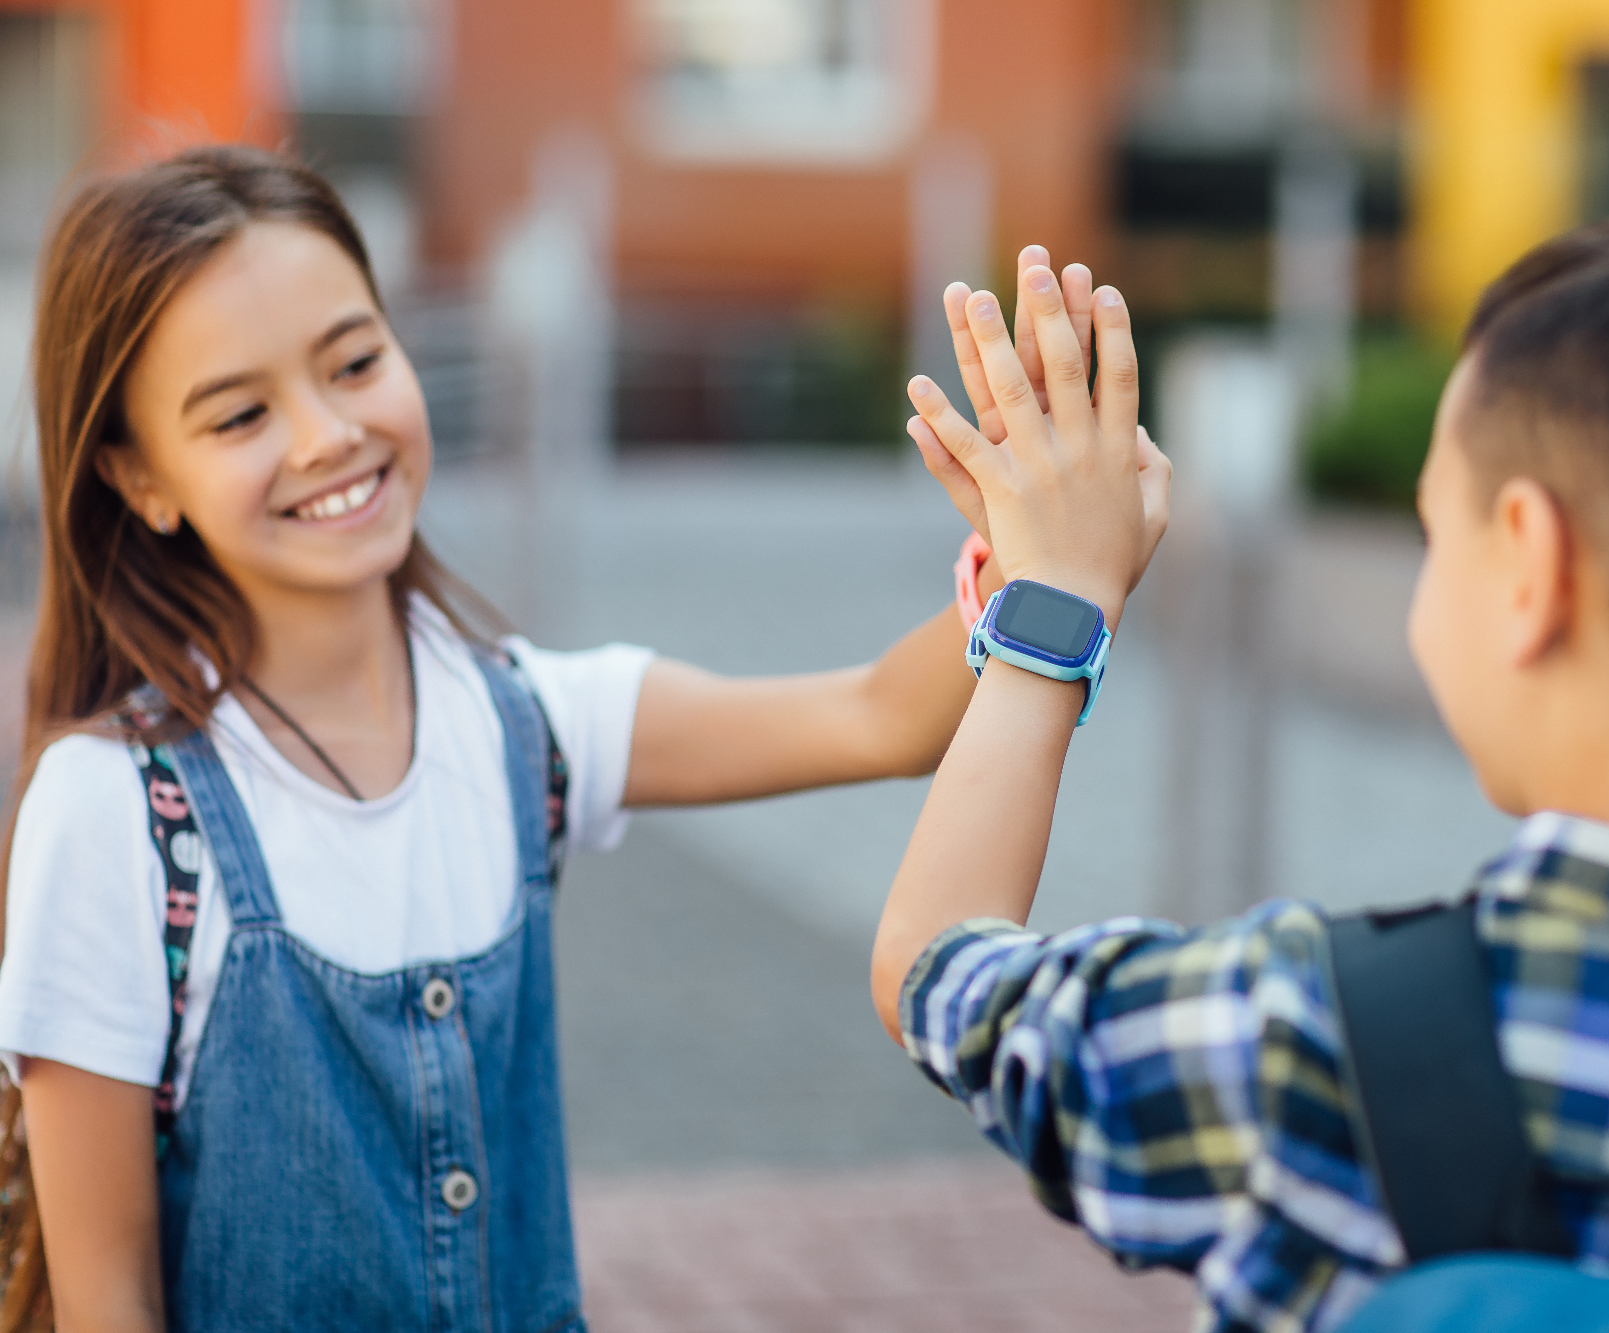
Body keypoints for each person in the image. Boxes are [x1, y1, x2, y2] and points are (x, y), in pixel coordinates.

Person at [875, 201, 1609, 1330]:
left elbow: (937, 964)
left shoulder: (1296, 1038)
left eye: (1434, 530)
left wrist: (1055, 602)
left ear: (1530, 564)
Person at [0, 143, 1061, 1333]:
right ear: (139, 478)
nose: (324, 435)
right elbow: (107, 1303)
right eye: (240, 412)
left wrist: (1042, 556)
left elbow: (877, 714)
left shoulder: (521, 722)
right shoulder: (110, 814)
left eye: (354, 361)